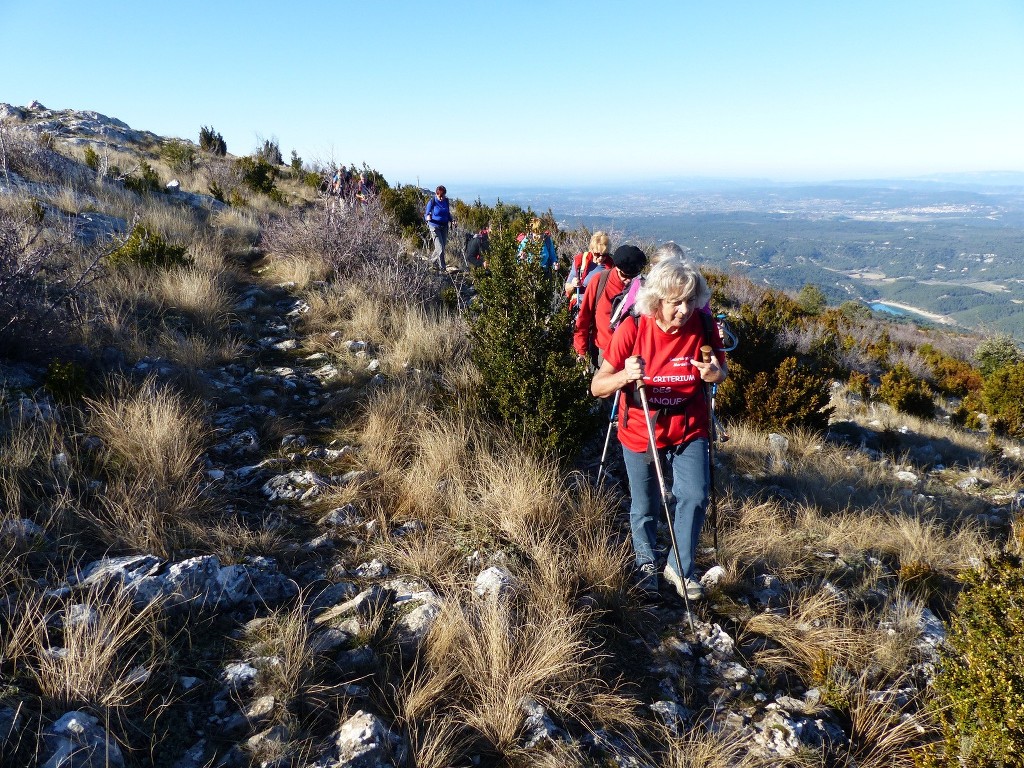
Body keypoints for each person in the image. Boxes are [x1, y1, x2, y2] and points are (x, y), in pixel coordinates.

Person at [590, 259, 728, 601]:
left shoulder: (705, 325)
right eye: (675, 302)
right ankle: (646, 564)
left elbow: (720, 371)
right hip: (641, 427)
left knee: (695, 496)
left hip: (689, 424)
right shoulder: (633, 328)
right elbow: (598, 386)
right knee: (646, 504)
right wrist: (625, 375)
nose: (684, 310)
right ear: (656, 301)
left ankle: (679, 567)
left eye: (690, 301)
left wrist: (714, 375)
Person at [573, 244, 647, 368]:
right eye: (624, 275)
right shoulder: (600, 281)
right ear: (616, 267)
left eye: (632, 276)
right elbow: (584, 317)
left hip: (632, 354)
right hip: (603, 351)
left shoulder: (642, 287)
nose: (628, 280)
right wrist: (581, 350)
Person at [565, 231, 612, 309]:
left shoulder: (611, 265)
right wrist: (573, 284)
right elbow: (567, 287)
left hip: (600, 308)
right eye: (597, 254)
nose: (600, 258)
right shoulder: (580, 261)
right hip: (581, 306)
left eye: (604, 255)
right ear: (591, 250)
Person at [425, 185, 454, 271]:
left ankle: (432, 262)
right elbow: (426, 214)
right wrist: (427, 217)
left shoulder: (446, 201)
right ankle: (443, 267)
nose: (441, 198)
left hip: (444, 226)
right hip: (434, 227)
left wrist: (452, 220)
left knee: (441, 247)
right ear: (436, 194)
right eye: (440, 196)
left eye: (443, 196)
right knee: (440, 248)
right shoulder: (432, 201)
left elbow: (447, 214)